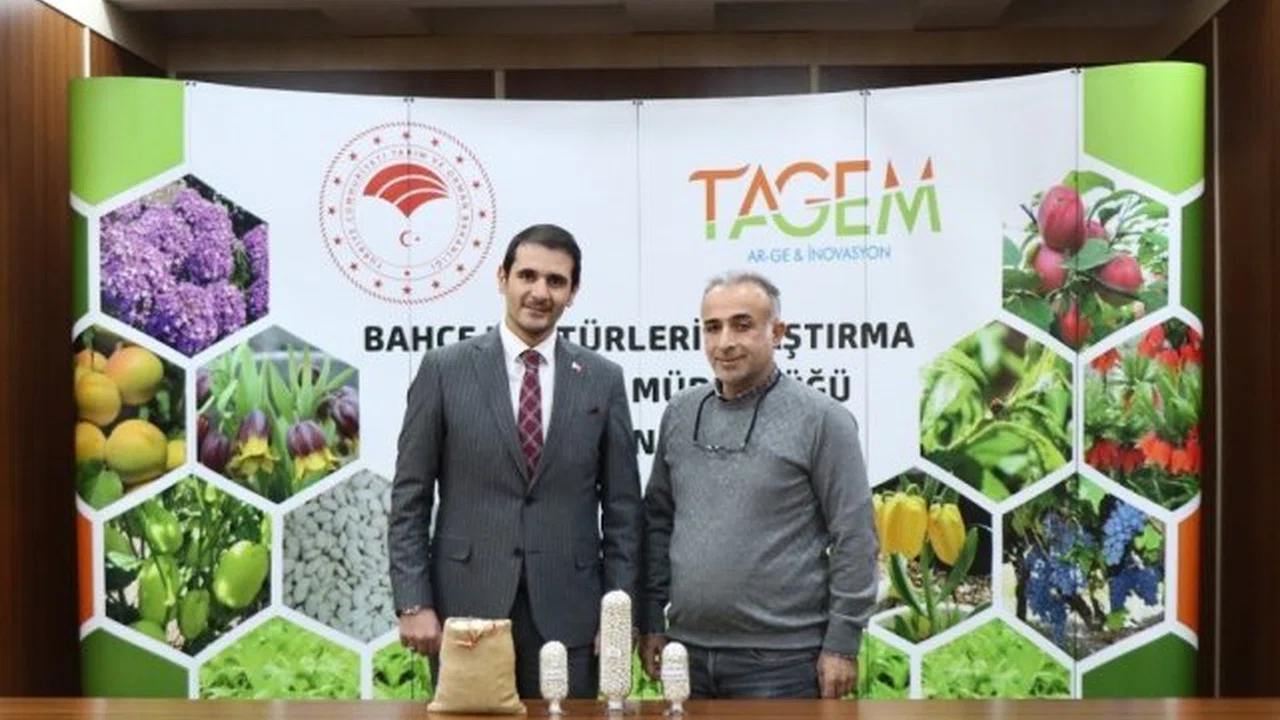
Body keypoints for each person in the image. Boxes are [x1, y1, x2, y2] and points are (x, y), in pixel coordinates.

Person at [388, 223, 644, 699]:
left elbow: (624, 512)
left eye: (556, 281)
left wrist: (618, 618)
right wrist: (413, 602)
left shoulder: (602, 379)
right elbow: (410, 498)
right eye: (527, 275)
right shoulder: (444, 370)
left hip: (572, 614)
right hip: (467, 610)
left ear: (573, 293)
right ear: (502, 278)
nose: (540, 292)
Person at [638, 271, 878, 700]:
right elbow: (658, 523)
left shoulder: (822, 419)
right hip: (686, 655)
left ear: (777, 332)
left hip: (782, 664)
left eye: (742, 325)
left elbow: (855, 537)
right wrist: (653, 619)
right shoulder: (680, 413)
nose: (725, 341)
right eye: (712, 327)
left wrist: (842, 643)